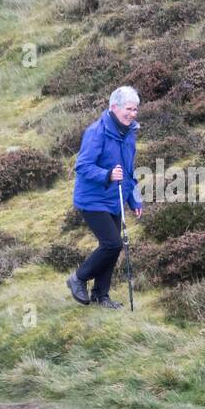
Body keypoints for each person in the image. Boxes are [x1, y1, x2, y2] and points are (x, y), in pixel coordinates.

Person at [66, 86, 142, 309]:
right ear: (114, 107)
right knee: (112, 243)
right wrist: (106, 174)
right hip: (92, 199)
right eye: (128, 109)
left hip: (115, 199)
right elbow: (82, 166)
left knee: (113, 246)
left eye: (135, 109)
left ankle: (101, 295)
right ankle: (78, 278)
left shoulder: (129, 133)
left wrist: (134, 199)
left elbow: (129, 170)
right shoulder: (96, 132)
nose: (132, 114)